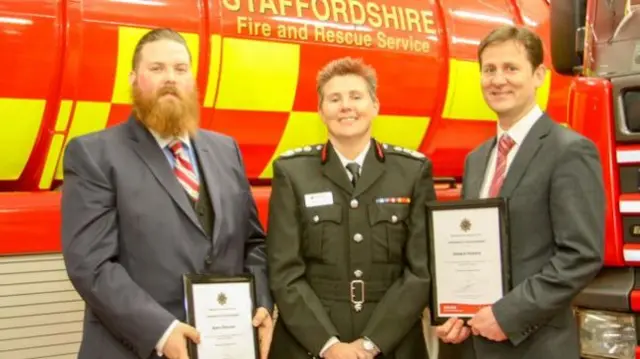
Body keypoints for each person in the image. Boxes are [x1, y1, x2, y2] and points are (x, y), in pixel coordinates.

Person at [61, 28, 273, 359]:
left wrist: (260, 301)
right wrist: (161, 330)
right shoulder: (93, 154)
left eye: (179, 69)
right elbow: (92, 265)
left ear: (193, 81)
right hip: (133, 349)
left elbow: (254, 244)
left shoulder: (226, 149)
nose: (170, 78)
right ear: (134, 79)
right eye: (156, 69)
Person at [435, 25, 605, 359]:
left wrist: (508, 314)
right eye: (489, 70)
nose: (498, 80)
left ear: (538, 75)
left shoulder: (569, 150)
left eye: (511, 68)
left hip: (536, 346)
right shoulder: (476, 159)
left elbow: (580, 256)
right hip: (473, 344)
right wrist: (453, 310)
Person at [266, 56, 436, 359]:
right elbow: (284, 272)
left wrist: (372, 344)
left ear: (375, 106)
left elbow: (420, 272)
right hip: (310, 345)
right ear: (320, 111)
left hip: (392, 343)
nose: (346, 106)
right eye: (334, 98)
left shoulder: (412, 171)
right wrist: (328, 346)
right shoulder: (292, 173)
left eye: (356, 97)